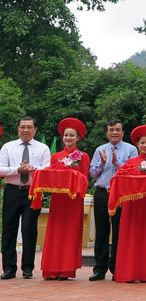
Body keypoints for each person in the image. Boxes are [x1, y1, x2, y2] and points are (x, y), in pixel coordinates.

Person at [0, 117, 50, 280]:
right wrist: (18, 169)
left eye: (29, 127)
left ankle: (27, 268)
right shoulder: (8, 147)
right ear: (18, 129)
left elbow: (48, 169)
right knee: (9, 229)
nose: (26, 130)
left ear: (35, 129)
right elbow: (1, 169)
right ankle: (9, 268)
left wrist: (33, 169)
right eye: (23, 127)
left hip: (33, 192)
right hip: (12, 191)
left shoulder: (42, 148)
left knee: (29, 229)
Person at [41, 118, 91, 280]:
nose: (68, 138)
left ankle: (66, 270)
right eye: (66, 135)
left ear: (78, 138)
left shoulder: (83, 156)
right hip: (58, 199)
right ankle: (50, 269)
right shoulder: (55, 156)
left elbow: (85, 178)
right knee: (55, 232)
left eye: (72, 135)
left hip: (73, 199)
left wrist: (71, 175)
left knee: (70, 233)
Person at [113, 125, 146, 283]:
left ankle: (144, 274)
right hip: (131, 204)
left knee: (145, 238)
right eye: (142, 143)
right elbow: (122, 179)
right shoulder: (130, 162)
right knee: (129, 237)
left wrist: (142, 182)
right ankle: (127, 273)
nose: (145, 146)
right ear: (137, 144)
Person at [88, 120, 138, 281]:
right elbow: (93, 173)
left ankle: (117, 268)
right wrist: (102, 163)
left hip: (122, 194)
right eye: (111, 130)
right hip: (102, 192)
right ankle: (99, 269)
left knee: (119, 231)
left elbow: (133, 171)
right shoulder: (100, 149)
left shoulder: (131, 149)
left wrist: (116, 162)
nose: (114, 133)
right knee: (101, 231)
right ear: (107, 132)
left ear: (123, 132)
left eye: (117, 130)